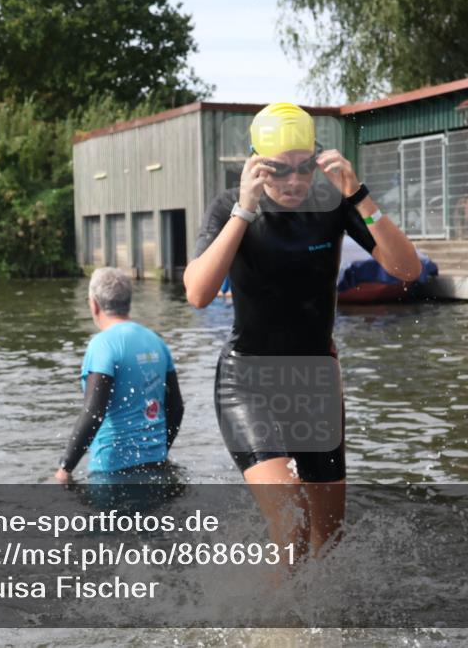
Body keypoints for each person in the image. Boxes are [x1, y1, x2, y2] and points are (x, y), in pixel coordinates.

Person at [184, 102, 422, 562]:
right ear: (255, 164)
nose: (293, 182)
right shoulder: (227, 207)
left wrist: (359, 195)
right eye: (278, 170)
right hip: (248, 380)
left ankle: (320, 628)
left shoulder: (332, 205)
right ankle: (273, 630)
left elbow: (406, 269)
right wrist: (244, 211)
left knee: (327, 540)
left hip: (315, 381)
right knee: (291, 520)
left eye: (303, 168)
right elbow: (198, 293)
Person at [55, 268, 184, 482]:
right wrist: (160, 449)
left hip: (111, 471)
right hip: (156, 466)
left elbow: (94, 411)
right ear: (128, 302)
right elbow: (176, 408)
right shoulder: (156, 342)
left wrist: (65, 467)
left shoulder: (102, 345)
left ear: (93, 304)